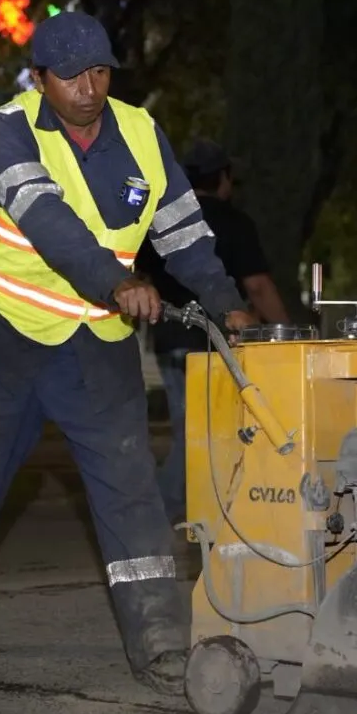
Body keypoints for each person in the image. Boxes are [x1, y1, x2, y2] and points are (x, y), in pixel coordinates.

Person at [0, 10, 256, 697]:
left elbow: (183, 233)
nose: (89, 87)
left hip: (96, 352)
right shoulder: (6, 128)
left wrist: (228, 302)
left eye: (101, 71)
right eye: (72, 74)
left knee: (131, 489)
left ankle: (161, 640)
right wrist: (117, 280)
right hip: (4, 341)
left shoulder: (141, 132)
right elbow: (47, 219)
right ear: (40, 77)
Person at [137, 138, 290, 524]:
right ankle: (163, 512)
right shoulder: (232, 223)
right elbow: (257, 286)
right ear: (224, 178)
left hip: (169, 339)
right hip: (217, 343)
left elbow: (138, 275)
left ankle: (196, 509)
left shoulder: (163, 217)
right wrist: (288, 333)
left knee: (190, 429)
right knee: (204, 434)